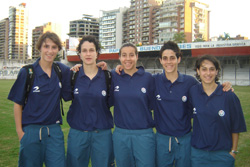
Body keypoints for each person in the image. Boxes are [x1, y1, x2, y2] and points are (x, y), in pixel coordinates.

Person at [8, 31, 70, 167]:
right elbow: (17, 104)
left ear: (58, 50)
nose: (50, 51)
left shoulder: (61, 70)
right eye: (46, 46)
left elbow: (82, 71)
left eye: (54, 47)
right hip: (31, 131)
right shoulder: (27, 72)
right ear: (39, 48)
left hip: (54, 132)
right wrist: (20, 133)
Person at [188, 55, 247, 167]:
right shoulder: (193, 92)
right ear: (198, 71)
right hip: (198, 154)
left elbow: (236, 126)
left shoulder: (229, 95)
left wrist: (233, 152)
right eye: (204, 69)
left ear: (217, 71)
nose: (208, 73)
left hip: (222, 155)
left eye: (212, 69)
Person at [65, 35, 114, 167]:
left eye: (91, 50)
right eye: (84, 50)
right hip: (78, 134)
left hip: (102, 134)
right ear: (79, 54)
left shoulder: (108, 76)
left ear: (97, 53)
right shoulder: (72, 75)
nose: (88, 54)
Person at [110, 43, 156, 167]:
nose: (128, 59)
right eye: (124, 55)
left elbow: (153, 105)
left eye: (131, 55)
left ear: (137, 56)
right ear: (119, 58)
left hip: (144, 135)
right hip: (121, 134)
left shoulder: (148, 78)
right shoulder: (114, 76)